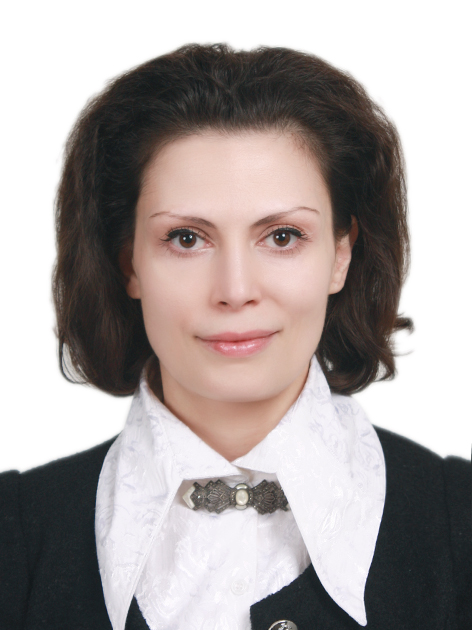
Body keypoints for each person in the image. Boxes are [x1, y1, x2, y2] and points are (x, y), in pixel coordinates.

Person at [0, 43, 470, 630]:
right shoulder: (14, 538)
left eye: (282, 237)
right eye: (186, 239)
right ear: (128, 264)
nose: (235, 290)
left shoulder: (460, 522)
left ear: (341, 255)